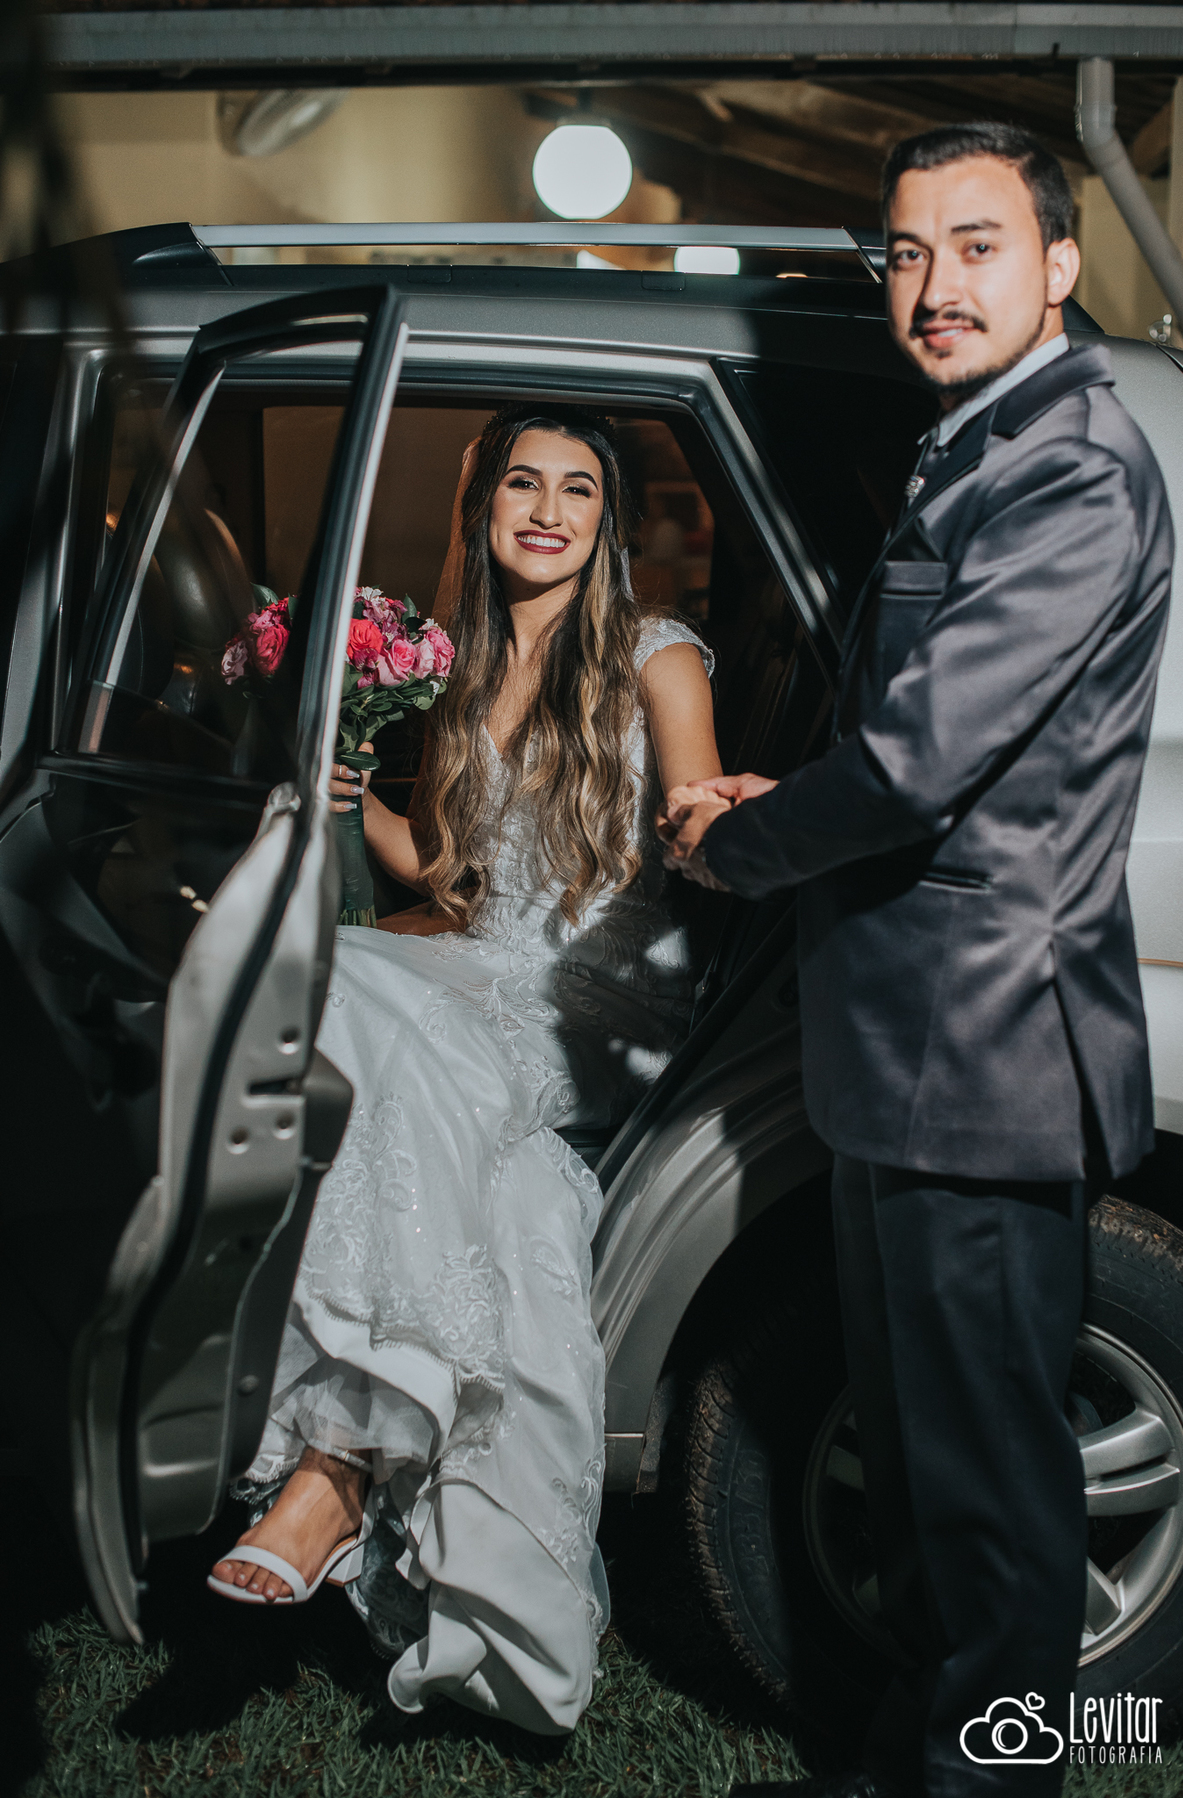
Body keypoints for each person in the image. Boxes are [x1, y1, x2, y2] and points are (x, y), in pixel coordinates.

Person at [661, 124, 1173, 1798]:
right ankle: (906, 1770)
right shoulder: (981, 437)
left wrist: (736, 839)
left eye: (972, 244)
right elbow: (902, 731)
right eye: (904, 252)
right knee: (933, 1472)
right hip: (909, 1057)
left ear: (1057, 263)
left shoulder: (1073, 463)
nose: (931, 285)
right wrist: (780, 786)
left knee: (991, 1500)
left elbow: (914, 766)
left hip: (982, 1059)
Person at [206, 403, 722, 1735]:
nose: (549, 509)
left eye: (580, 490)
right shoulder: (467, 665)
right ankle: (368, 1459)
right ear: (483, 508)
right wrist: (345, 800)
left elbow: (701, 803)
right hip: (480, 966)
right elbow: (448, 873)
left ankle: (336, 1464)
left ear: (607, 523)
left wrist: (721, 810)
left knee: (375, 1006)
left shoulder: (659, 656)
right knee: (329, 988)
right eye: (523, 485)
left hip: (600, 1001)